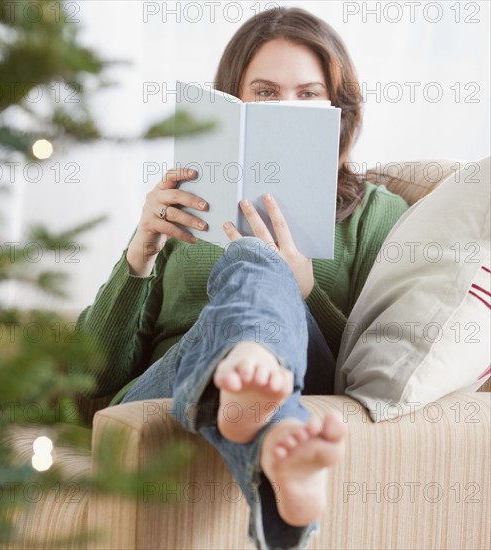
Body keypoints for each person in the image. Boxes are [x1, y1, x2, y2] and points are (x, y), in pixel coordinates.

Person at [73, 7, 409, 549]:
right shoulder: (192, 202)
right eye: (266, 92)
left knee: (254, 257)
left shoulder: (378, 212)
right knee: (252, 256)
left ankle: (251, 371)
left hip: (298, 378)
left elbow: (379, 361)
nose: (288, 107)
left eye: (308, 93)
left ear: (337, 110)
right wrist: (140, 251)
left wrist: (305, 292)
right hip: (167, 383)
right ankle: (272, 431)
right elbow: (88, 382)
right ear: (235, 105)